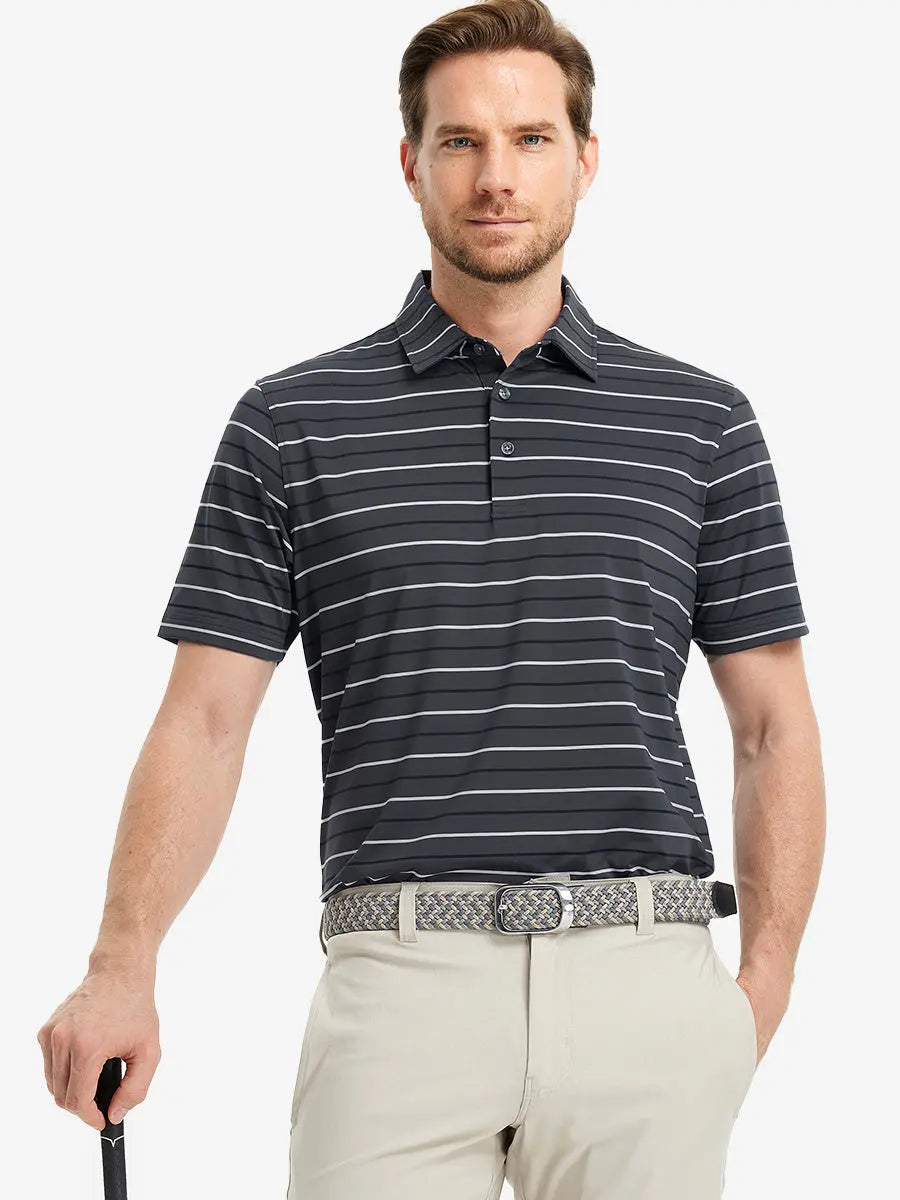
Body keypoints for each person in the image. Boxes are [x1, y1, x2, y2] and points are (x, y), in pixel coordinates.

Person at [37, 1, 825, 1196]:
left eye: (531, 139)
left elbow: (774, 727)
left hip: (647, 987)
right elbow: (203, 721)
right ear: (410, 162)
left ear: (586, 160)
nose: (496, 177)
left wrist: (759, 990)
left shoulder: (700, 423)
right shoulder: (290, 423)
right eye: (461, 141)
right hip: (398, 990)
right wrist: (121, 964)